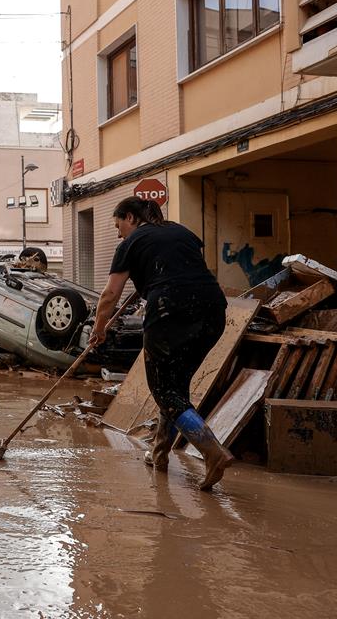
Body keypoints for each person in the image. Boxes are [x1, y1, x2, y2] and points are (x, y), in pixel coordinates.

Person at [89, 197, 233, 490]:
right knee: (176, 387)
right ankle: (160, 454)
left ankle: (212, 451)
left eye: (119, 226)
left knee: (164, 389)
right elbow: (181, 268)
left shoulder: (130, 243)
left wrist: (99, 328)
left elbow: (109, 295)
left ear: (130, 217)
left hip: (170, 311)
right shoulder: (182, 232)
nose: (119, 234)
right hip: (214, 311)